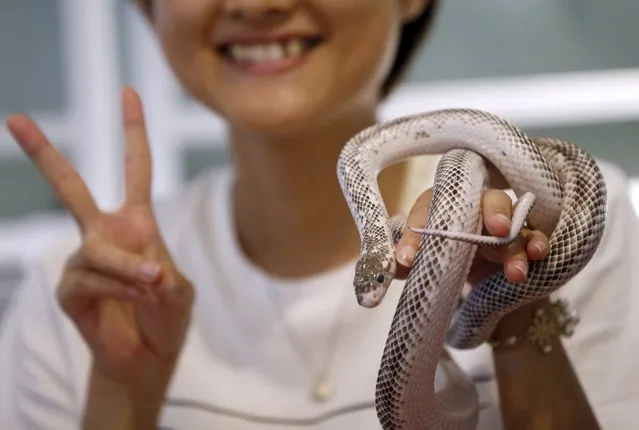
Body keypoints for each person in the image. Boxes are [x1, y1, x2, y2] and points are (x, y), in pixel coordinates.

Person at [0, 0, 638, 429]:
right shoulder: (87, 292)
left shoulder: (566, 219)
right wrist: (122, 392)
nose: (256, 4)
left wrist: (511, 305)